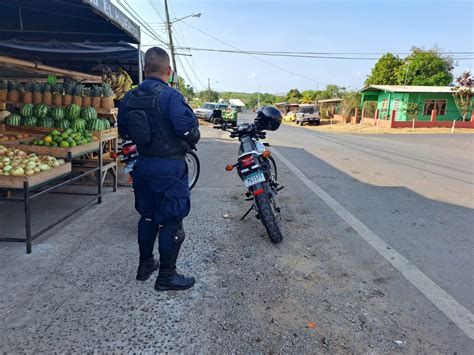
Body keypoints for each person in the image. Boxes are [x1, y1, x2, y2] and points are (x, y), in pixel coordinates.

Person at [117, 47, 200, 291]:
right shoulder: (171, 96)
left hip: (142, 165)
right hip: (170, 168)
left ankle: (145, 266)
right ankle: (167, 276)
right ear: (169, 71)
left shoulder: (129, 97)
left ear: (144, 70)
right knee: (172, 221)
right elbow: (188, 131)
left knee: (148, 216)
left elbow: (124, 131)